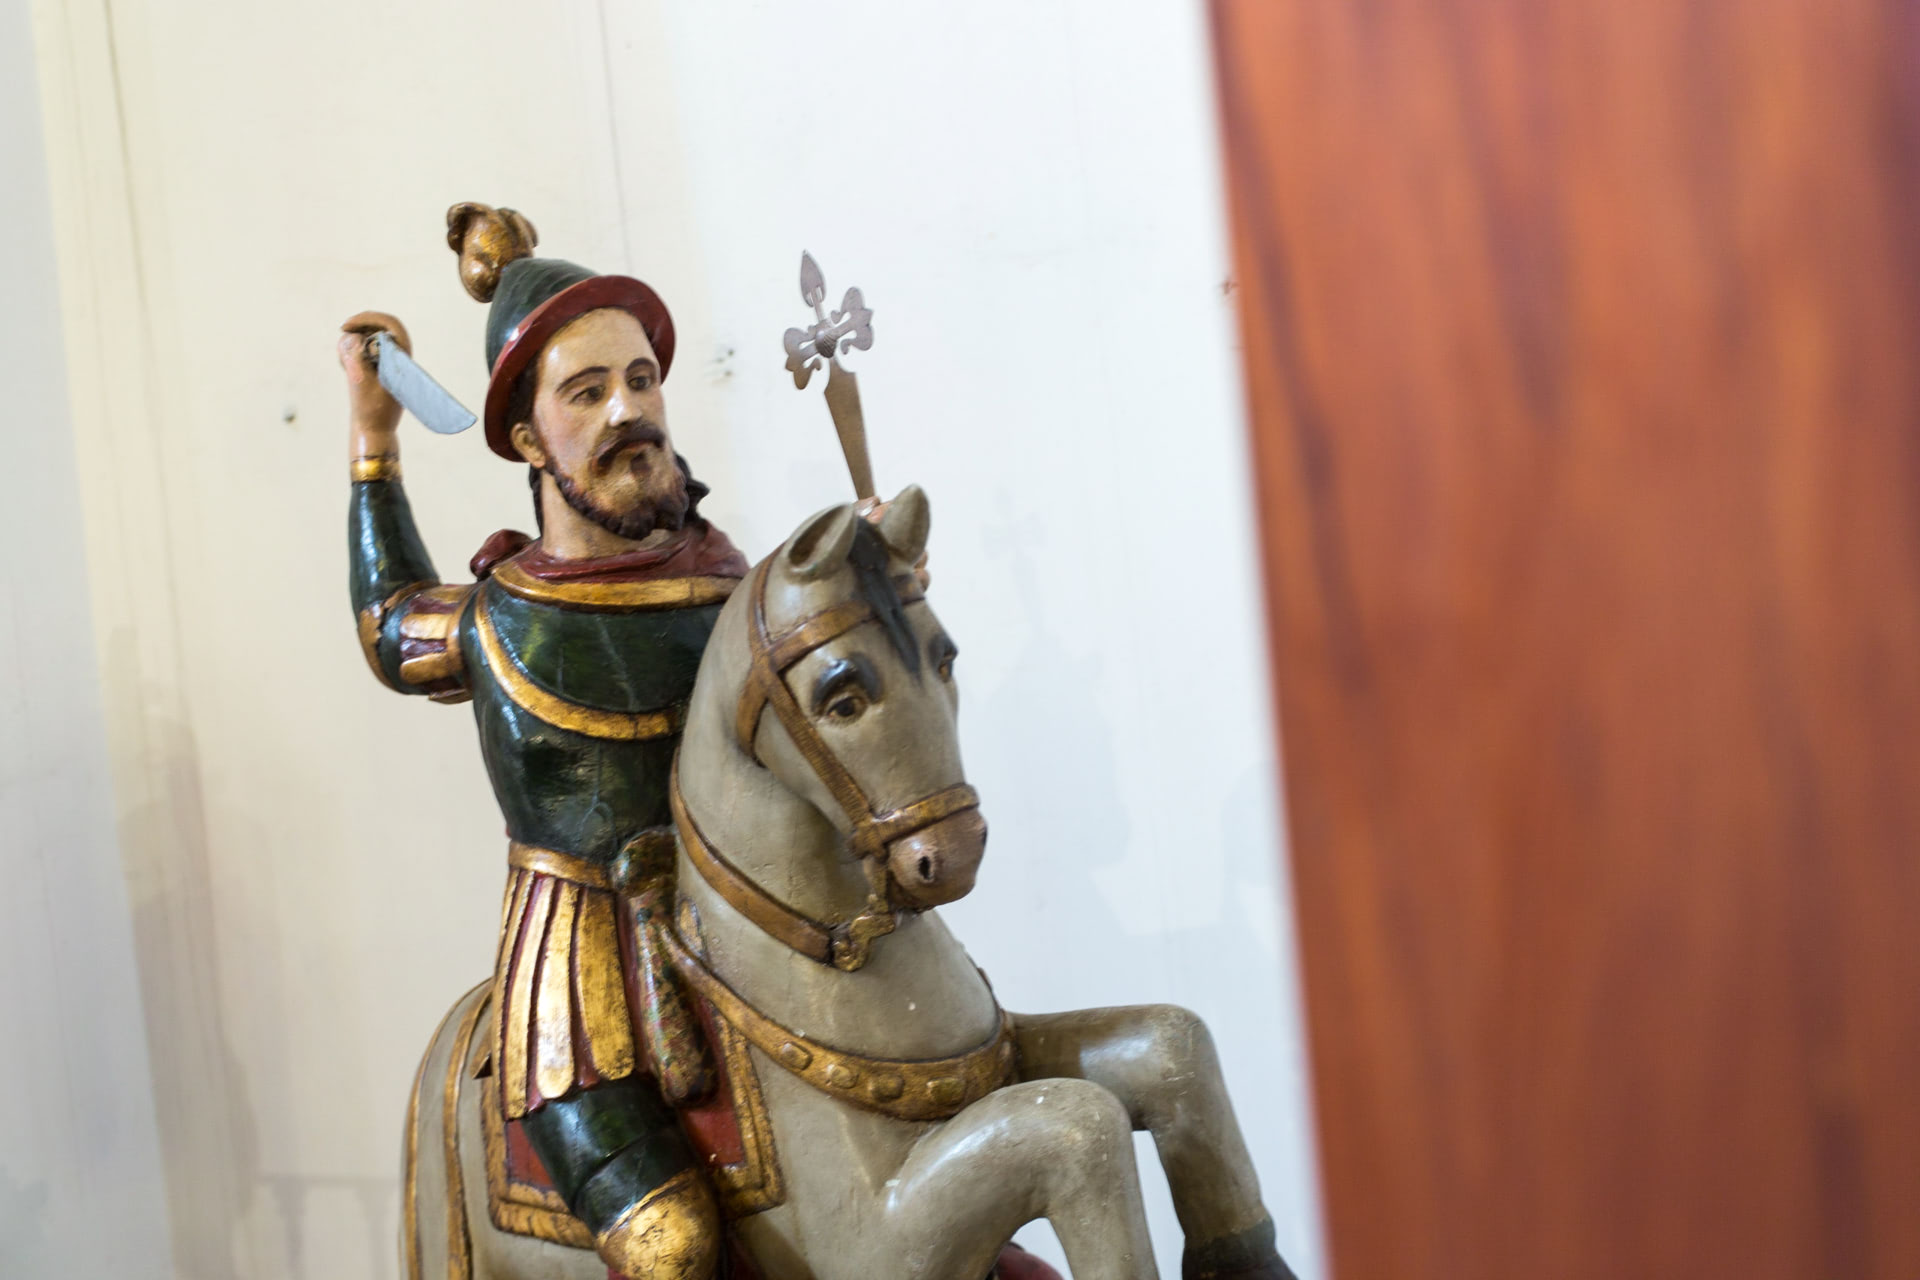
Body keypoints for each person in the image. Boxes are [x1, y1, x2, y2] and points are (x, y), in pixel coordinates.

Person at [341, 203, 746, 1279]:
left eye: (643, 379)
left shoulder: (727, 581)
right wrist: (374, 445)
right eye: (588, 391)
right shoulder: (497, 616)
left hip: (749, 934)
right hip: (579, 982)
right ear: (528, 439)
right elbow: (389, 627)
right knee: (670, 1243)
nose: (631, 410)